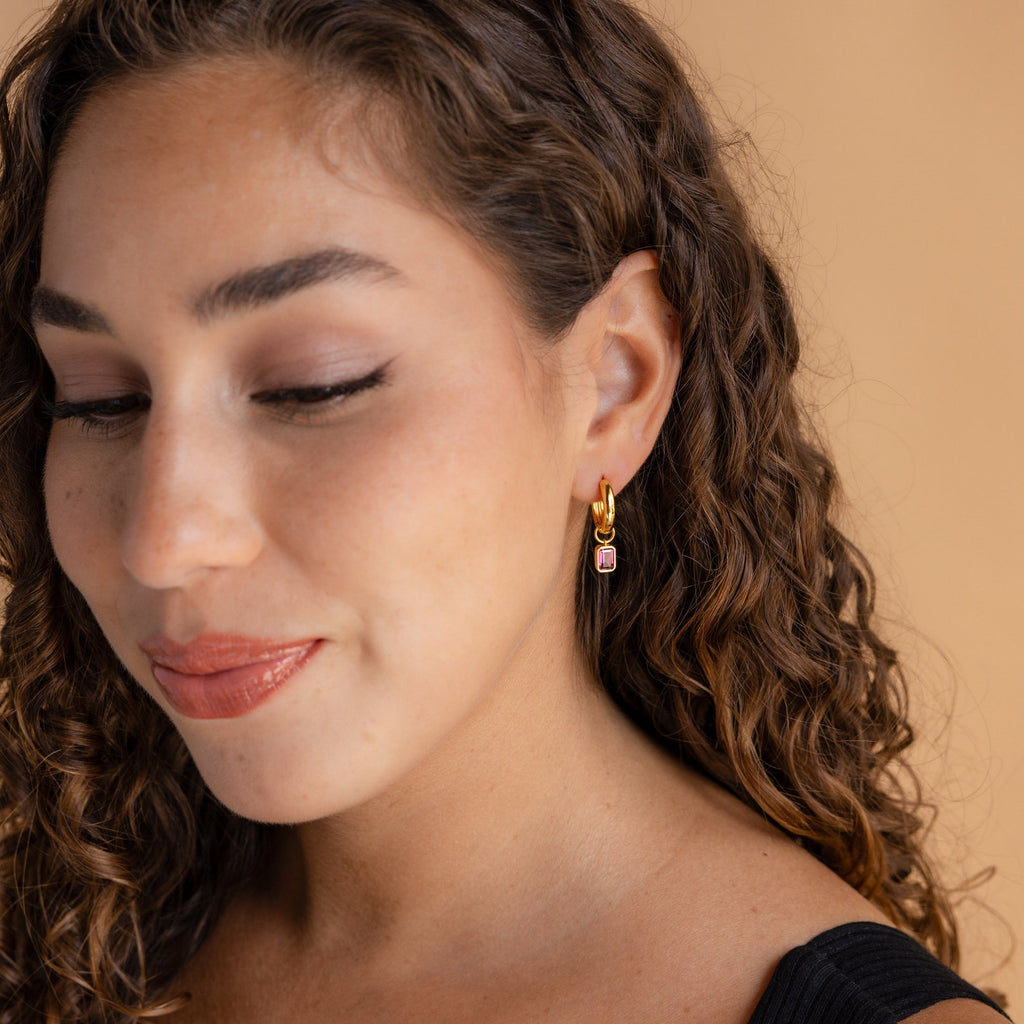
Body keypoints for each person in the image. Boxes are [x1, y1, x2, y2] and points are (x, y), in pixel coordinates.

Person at [0, 0, 1012, 1021]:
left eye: (315, 383)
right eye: (99, 398)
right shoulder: (52, 942)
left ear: (615, 383)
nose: (163, 538)